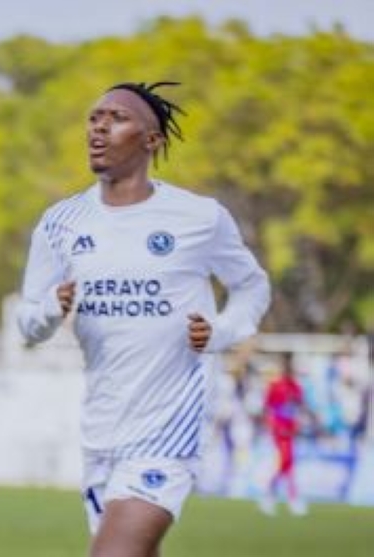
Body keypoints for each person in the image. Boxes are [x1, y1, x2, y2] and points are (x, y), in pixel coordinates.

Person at [16, 82, 270, 557]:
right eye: (94, 117)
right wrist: (52, 305)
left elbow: (252, 286)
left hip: (168, 428)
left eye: (116, 117)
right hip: (102, 431)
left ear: (151, 140)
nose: (99, 126)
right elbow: (27, 322)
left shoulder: (199, 217)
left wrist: (222, 332)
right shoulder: (60, 223)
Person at [259, 352, 312, 516]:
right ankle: (291, 499)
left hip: (290, 432)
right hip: (278, 432)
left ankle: (270, 496)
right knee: (286, 462)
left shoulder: (296, 387)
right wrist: (273, 427)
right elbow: (267, 410)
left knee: (286, 465)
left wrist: (300, 424)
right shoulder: (275, 387)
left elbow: (299, 409)